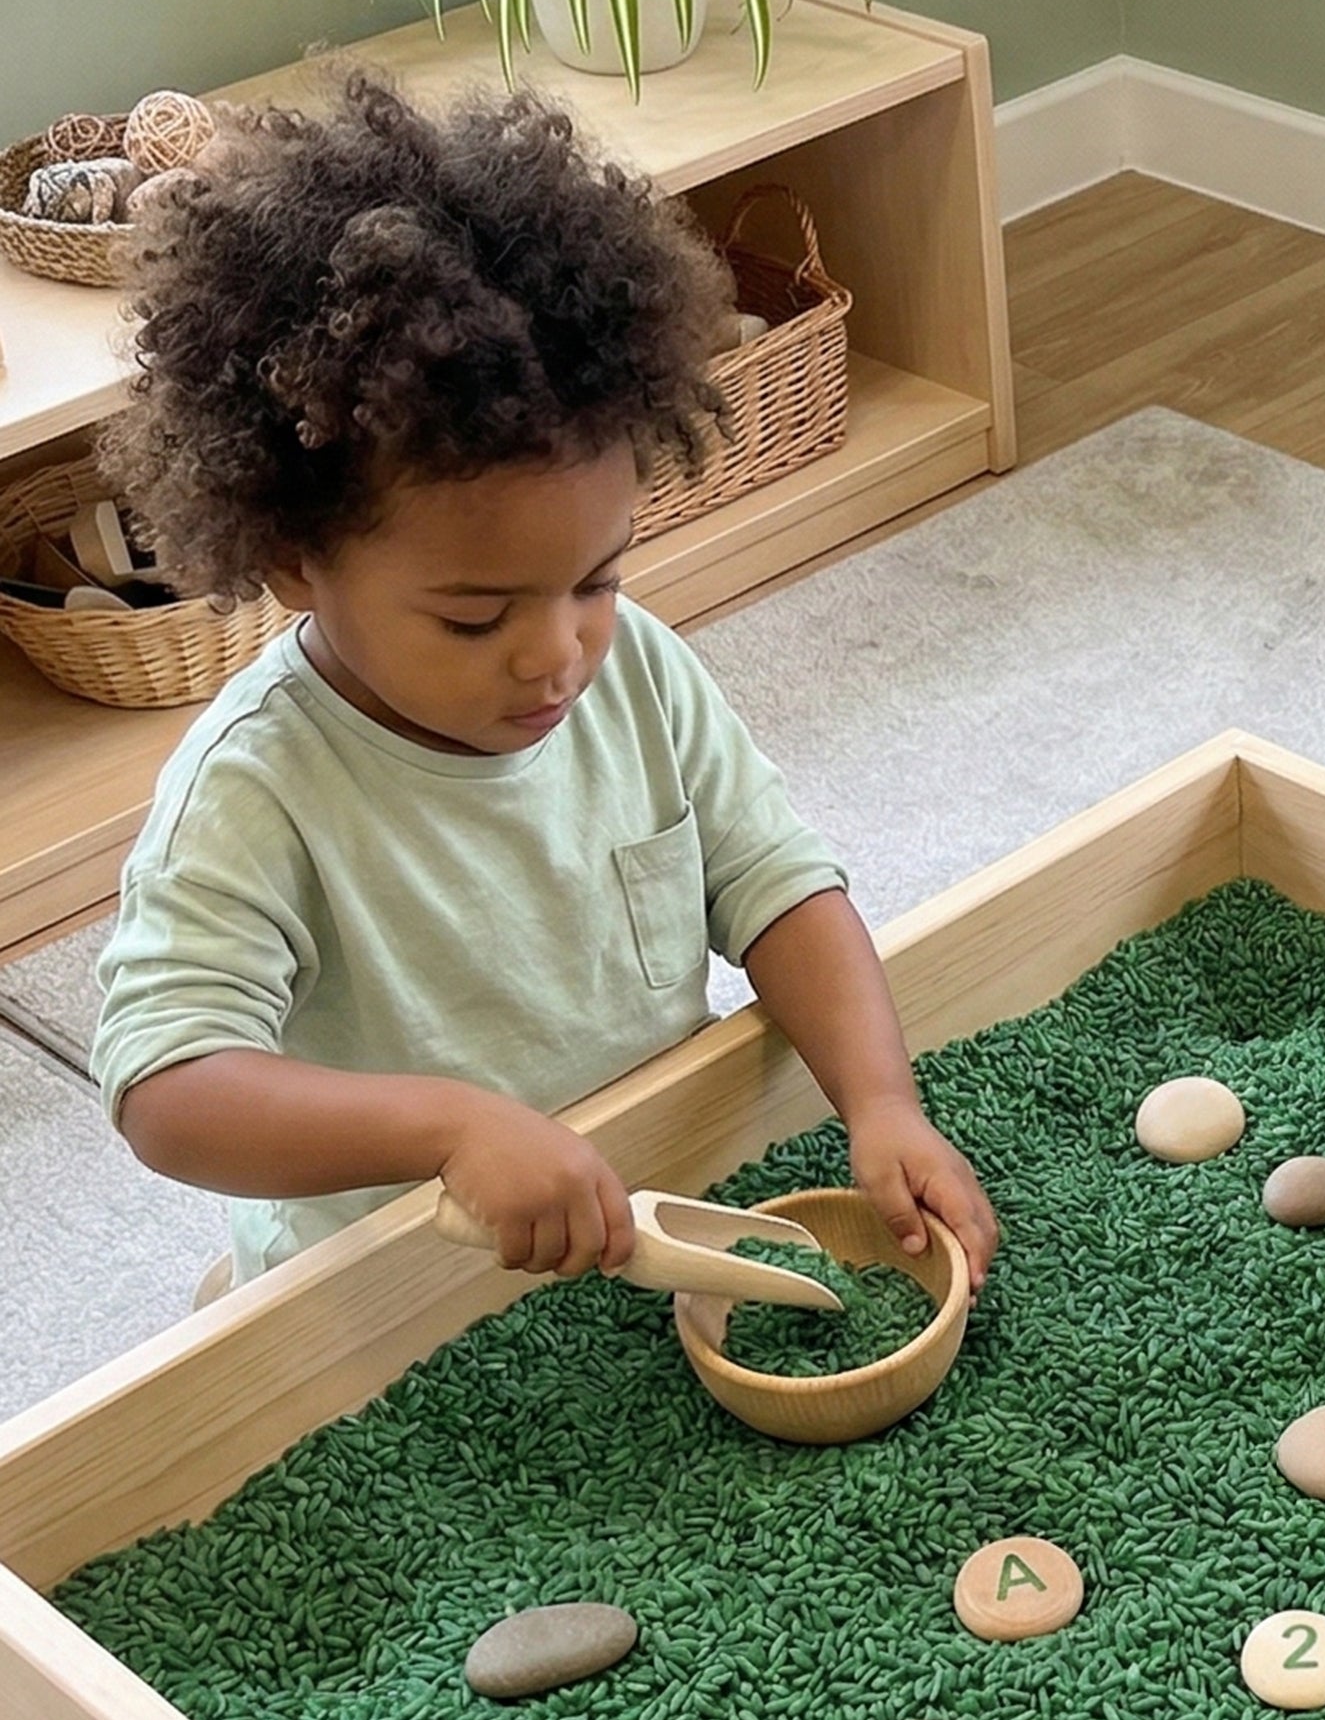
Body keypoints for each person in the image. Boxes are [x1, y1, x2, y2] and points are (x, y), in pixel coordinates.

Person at [90, 74, 996, 1294]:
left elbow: (778, 885)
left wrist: (880, 1100)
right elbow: (165, 1091)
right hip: (404, 1270)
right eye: (475, 617)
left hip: (652, 1196)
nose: (557, 654)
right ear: (296, 562)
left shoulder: (638, 669)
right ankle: (232, 1287)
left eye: (596, 579)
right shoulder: (254, 788)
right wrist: (451, 1128)